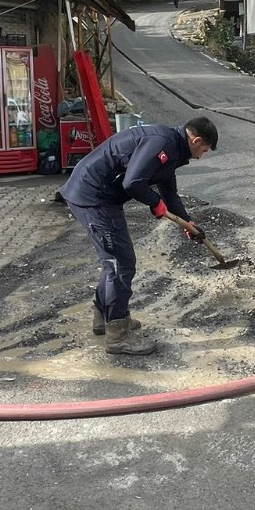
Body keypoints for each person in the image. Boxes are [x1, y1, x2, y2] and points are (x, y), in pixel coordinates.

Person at [60, 116, 219, 355]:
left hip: (103, 197)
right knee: (120, 263)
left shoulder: (172, 148)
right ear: (195, 140)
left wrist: (188, 223)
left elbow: (170, 192)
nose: (201, 156)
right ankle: (118, 335)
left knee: (116, 261)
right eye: (204, 150)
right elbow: (133, 182)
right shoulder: (161, 142)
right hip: (92, 197)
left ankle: (105, 317)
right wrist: (155, 203)